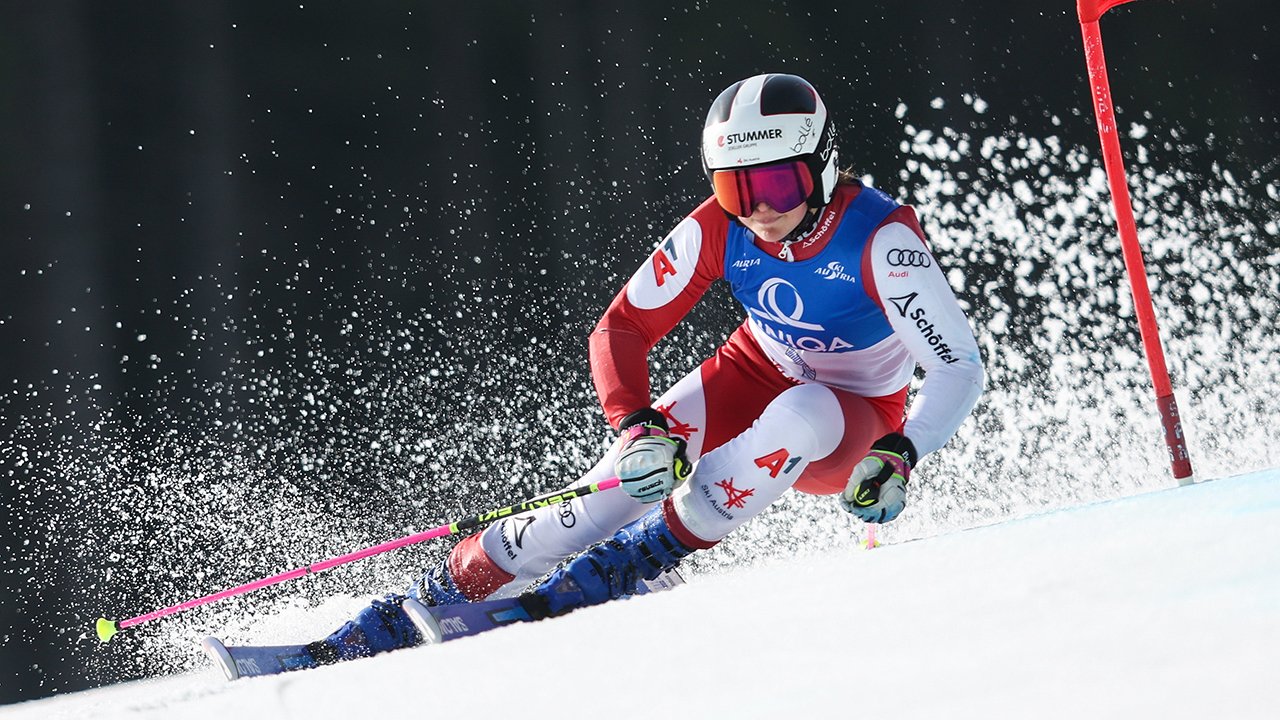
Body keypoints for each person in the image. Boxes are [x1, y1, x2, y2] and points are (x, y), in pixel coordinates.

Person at [242, 72, 984, 667]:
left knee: (808, 411)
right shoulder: (718, 227)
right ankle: (432, 595)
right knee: (604, 498)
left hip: (850, 420)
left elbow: (957, 369)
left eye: (779, 187)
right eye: (736, 188)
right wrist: (636, 427)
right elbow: (621, 327)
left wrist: (902, 451)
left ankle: (644, 560)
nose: (758, 210)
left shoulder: (882, 240)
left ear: (821, 167)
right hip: (752, 369)